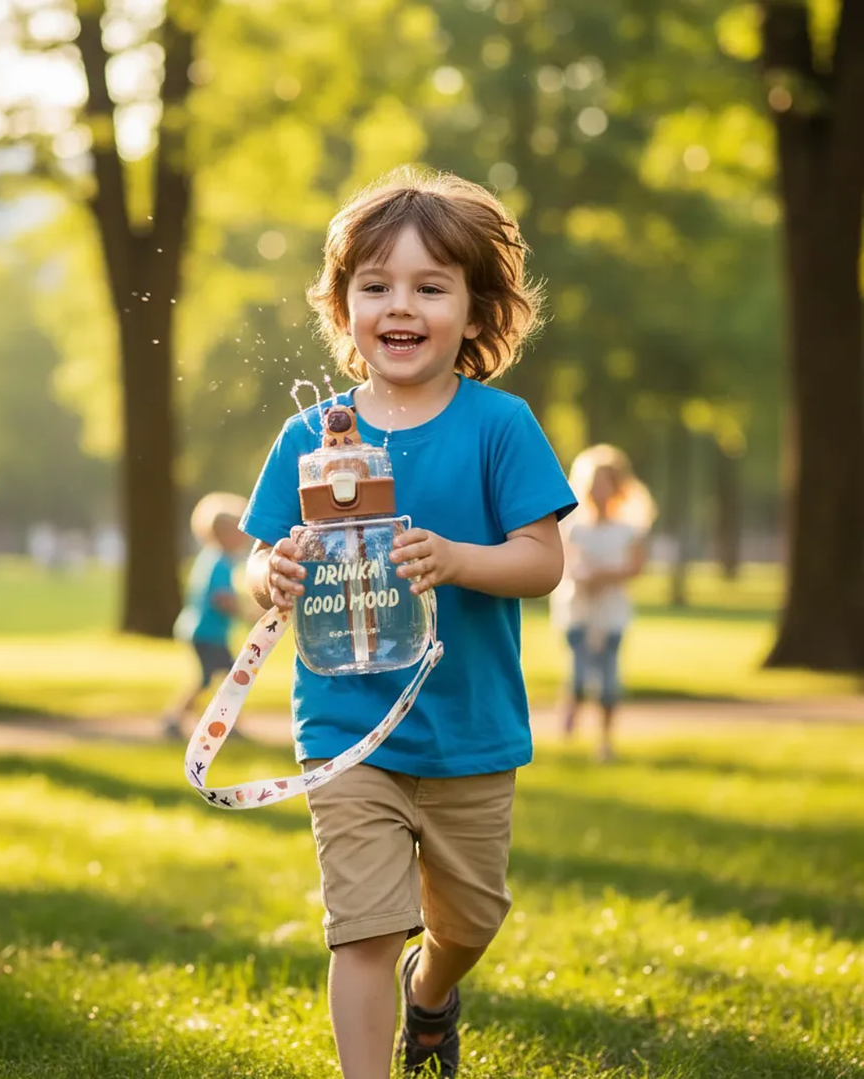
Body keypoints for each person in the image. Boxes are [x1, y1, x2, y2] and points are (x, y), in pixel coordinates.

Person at [240, 168, 576, 1079]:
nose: (401, 304)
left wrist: (458, 559)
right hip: (348, 733)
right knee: (364, 931)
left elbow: (542, 561)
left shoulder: (499, 426)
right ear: (344, 307)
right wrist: (269, 571)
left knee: (468, 920)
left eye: (431, 287)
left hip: (470, 734)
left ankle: (434, 994)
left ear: (474, 314)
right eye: (375, 285)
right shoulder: (312, 435)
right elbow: (257, 560)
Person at [550, 444, 656, 763]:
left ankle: (605, 741)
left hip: (611, 614)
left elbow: (636, 567)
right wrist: (583, 576)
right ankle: (569, 720)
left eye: (605, 482)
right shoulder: (573, 527)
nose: (599, 490)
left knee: (609, 680)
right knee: (580, 675)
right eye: (594, 482)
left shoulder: (628, 531)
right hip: (578, 611)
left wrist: (604, 575)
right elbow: (564, 563)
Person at [162, 492, 250, 740]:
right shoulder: (220, 563)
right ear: (224, 535)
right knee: (231, 679)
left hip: (202, 631)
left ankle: (180, 718)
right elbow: (221, 598)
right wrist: (247, 613)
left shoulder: (211, 559)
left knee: (212, 679)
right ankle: (224, 725)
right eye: (240, 532)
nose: (245, 537)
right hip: (206, 633)